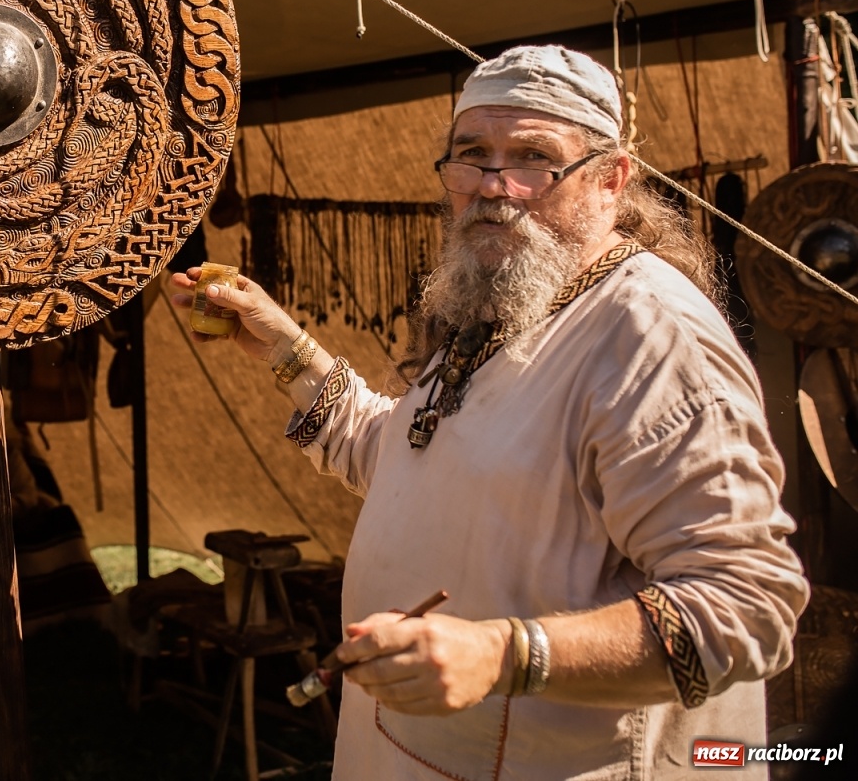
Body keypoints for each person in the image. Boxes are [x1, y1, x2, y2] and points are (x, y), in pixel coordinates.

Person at [170, 45, 808, 780]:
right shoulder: (511, 302)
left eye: (535, 158)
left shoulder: (650, 335)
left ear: (612, 178)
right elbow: (408, 459)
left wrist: (506, 655)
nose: (494, 187)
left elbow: (745, 605)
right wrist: (286, 348)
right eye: (471, 156)